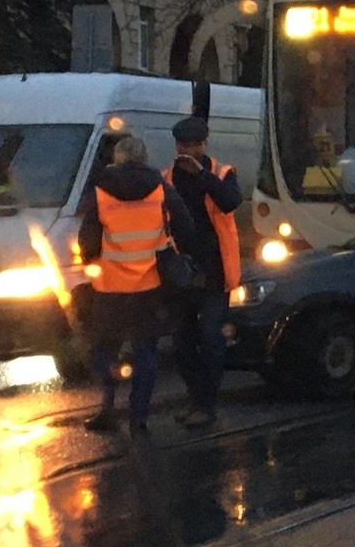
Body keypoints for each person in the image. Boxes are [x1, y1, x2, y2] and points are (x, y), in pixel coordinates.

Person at [77, 135, 194, 437]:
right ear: (144, 158)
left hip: (109, 287)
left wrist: (97, 261)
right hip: (150, 285)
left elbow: (87, 240)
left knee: (102, 348)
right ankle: (138, 418)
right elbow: (186, 226)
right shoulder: (159, 187)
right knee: (146, 352)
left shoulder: (100, 191)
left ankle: (107, 407)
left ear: (117, 158)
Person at [163, 115, 244, 428]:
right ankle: (194, 398)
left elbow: (230, 202)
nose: (187, 150)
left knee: (211, 338)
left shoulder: (223, 173)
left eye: (193, 145)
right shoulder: (167, 177)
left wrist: (202, 175)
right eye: (183, 145)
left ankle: (206, 405)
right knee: (182, 341)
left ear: (203, 145)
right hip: (181, 273)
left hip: (216, 272)